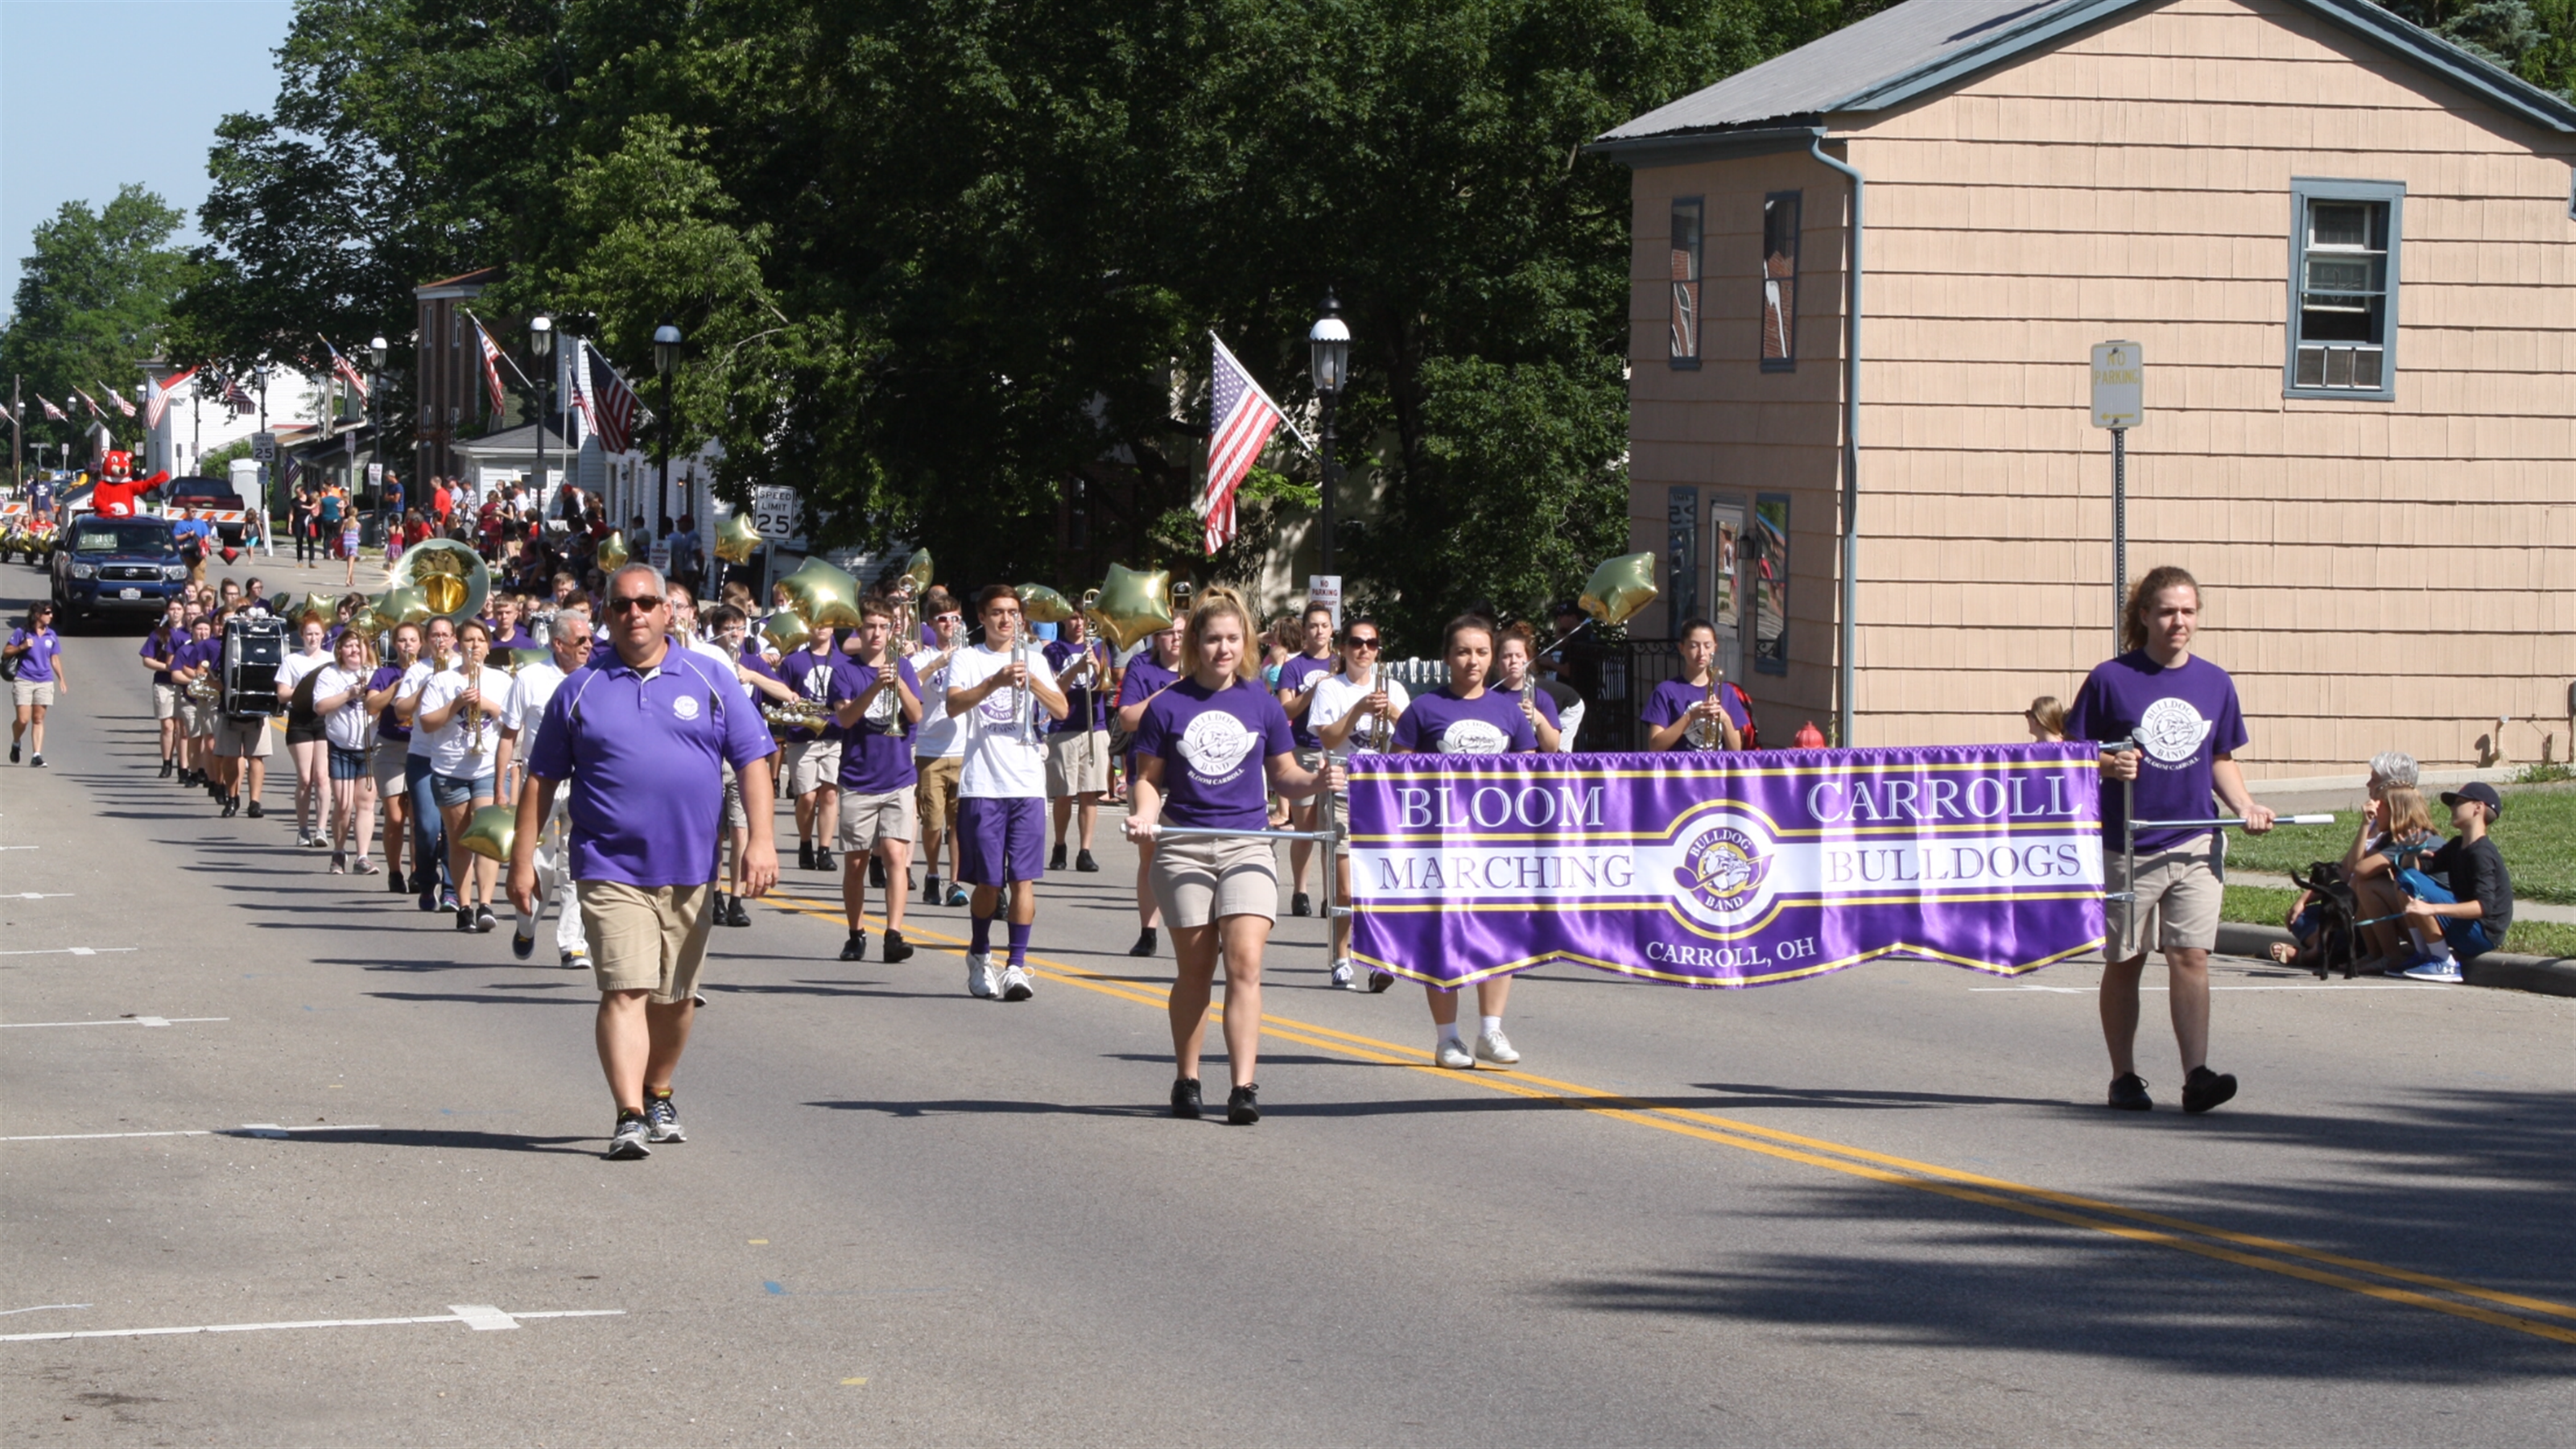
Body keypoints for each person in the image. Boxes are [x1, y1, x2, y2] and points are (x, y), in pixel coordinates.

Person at [510, 562, 779, 1160]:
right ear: (606, 616)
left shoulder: (710, 678)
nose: (634, 613)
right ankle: (629, 1113)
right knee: (625, 990)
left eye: (645, 603)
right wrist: (521, 859)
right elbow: (542, 779)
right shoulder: (580, 687)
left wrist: (760, 839)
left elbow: (754, 759)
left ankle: (658, 1089)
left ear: (668, 611)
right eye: (621, 605)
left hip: (690, 867)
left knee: (675, 998)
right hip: (608, 864)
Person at [1126, 588, 1336, 1125]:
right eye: (1213, 638)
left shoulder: (1261, 702)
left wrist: (1315, 780)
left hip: (1248, 843)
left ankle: (1244, 1086)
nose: (1223, 648)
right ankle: (1187, 1078)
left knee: (1245, 964)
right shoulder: (1167, 705)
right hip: (1184, 847)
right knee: (1196, 969)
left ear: (1246, 642)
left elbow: (1284, 773)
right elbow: (1147, 782)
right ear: (1195, 641)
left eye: (1233, 638)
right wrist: (1143, 814)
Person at [2068, 565, 2273, 1115]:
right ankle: (2124, 1076)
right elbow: (2071, 756)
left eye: (2187, 611)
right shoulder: (2111, 679)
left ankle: (2196, 1076)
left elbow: (2220, 759)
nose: (2178, 621)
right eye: (2166, 611)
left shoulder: (2214, 682)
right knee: (2126, 959)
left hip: (2195, 841)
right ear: (2144, 616)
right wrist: (2110, 765)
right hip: (2128, 843)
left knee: (2191, 957)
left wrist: (2245, 806)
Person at [1393, 616, 1540, 1067]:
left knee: (1499, 937)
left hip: (1497, 847)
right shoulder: (1423, 710)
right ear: (1446, 658)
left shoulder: (1509, 713)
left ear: (1492, 658)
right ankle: (1447, 1038)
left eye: (1480, 651)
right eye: (1462, 651)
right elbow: (1397, 777)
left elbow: (1530, 778)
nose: (1472, 660)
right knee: (1445, 939)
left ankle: (1490, 1032)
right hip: (1439, 845)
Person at [943, 584, 1069, 1001]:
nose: (1006, 620)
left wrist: (1033, 682)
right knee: (989, 884)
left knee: (1024, 880)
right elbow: (954, 705)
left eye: (1013, 613)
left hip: (1027, 785)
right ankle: (980, 953)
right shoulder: (968, 657)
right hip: (983, 784)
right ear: (982, 617)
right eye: (997, 613)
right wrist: (995, 682)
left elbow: (1062, 710)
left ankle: (1017, 965)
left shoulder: (1035, 660)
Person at [1309, 615, 1411, 989]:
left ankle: (1380, 958)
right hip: (1343, 791)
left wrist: (1394, 713)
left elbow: (1414, 738)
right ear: (1342, 648)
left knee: (1383, 885)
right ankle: (1340, 958)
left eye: (1371, 644)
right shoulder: (1330, 689)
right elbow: (1331, 740)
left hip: (1385, 797)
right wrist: (1359, 711)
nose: (1364, 650)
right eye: (1356, 642)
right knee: (1346, 889)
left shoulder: (1395, 689)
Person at [495, 609, 594, 967]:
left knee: (576, 865)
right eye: (581, 640)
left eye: (590, 639)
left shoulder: (596, 678)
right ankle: (526, 925)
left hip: (581, 784)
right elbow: (508, 735)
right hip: (540, 785)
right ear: (558, 643)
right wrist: (501, 789)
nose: (589, 646)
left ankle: (572, 944)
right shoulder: (531, 678)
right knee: (541, 865)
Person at [829, 598, 924, 962]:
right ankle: (856, 933)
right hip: (858, 777)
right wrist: (873, 688)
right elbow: (848, 719)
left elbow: (915, 714)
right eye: (870, 626)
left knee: (896, 857)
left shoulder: (904, 668)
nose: (877, 633)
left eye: (884, 627)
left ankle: (894, 934)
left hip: (899, 776)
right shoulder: (845, 672)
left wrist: (898, 683)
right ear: (860, 630)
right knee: (856, 862)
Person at [417, 619, 512, 933]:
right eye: (468, 640)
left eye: (480, 640)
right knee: (459, 842)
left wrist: (486, 704)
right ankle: (464, 905)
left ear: (488, 645)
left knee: (485, 836)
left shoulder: (501, 680)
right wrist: (457, 703)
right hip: (450, 768)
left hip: (487, 767)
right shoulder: (442, 681)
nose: (474, 646)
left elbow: (514, 723)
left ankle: (486, 904)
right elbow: (427, 723)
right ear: (459, 644)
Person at [1114, 616, 1185, 956]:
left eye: (1182, 634)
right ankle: (1148, 930)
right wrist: (1167, 694)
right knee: (1151, 854)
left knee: (1193, 854)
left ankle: (1198, 927)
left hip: (1190, 775)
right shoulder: (1142, 668)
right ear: (1156, 638)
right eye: (1168, 633)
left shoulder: (1206, 670)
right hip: (1148, 774)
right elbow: (1127, 718)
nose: (1175, 639)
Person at [2397, 782, 2515, 983]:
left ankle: (2444, 962)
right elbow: (2415, 871)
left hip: (2482, 935)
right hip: (2467, 927)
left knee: (2412, 885)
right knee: (2406, 880)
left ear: (2478, 808)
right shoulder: (2456, 846)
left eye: (2459, 802)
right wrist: (2411, 853)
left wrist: (2432, 909)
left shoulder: (2481, 853)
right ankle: (2424, 954)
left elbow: (2483, 907)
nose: (2452, 808)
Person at [1274, 603, 1339, 915]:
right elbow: (1285, 710)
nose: (1319, 631)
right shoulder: (1294, 667)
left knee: (1333, 827)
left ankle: (1331, 896)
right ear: (1305, 630)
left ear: (1332, 630)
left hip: (1336, 751)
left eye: (1324, 625)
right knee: (1306, 826)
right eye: (1313, 626)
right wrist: (1315, 690)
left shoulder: (1342, 663)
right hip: (1305, 749)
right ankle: (1300, 891)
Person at [910, 591, 971, 909]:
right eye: (944, 619)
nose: (950, 624)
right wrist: (938, 662)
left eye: (955, 619)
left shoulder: (970, 656)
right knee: (932, 821)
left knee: (958, 823)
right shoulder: (921, 657)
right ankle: (932, 874)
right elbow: (908, 686)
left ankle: (955, 882)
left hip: (963, 748)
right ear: (932, 624)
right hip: (931, 748)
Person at [397, 617, 462, 911]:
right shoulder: (418, 669)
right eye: (434, 635)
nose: (440, 641)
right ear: (426, 639)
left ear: (454, 638)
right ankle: (426, 880)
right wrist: (425, 688)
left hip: (454, 758)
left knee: (452, 829)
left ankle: (451, 888)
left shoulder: (464, 667)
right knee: (426, 825)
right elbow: (400, 711)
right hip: (423, 755)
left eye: (445, 635)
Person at [2344, 786, 2442, 974]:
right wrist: (2365, 825)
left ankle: (2391, 956)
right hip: (2419, 917)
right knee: (2359, 883)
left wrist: (2366, 825)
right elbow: (2353, 868)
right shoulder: (2391, 838)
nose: (2373, 809)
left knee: (2368, 885)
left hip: (2435, 923)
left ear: (2397, 810)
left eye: (2380, 805)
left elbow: (2360, 869)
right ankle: (2376, 955)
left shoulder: (2414, 837)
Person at [1043, 610, 1113, 872]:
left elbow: (1108, 686)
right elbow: (1055, 690)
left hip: (1095, 726)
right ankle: (1059, 845)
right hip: (1064, 727)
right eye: (1073, 617)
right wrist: (1077, 666)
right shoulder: (1053, 651)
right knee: (1064, 793)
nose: (1079, 623)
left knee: (1090, 793)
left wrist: (1096, 666)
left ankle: (1085, 850)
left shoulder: (1100, 647)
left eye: (1083, 618)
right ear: (1063, 620)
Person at [308, 630, 381, 873]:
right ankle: (339, 850)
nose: (354, 651)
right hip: (341, 748)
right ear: (340, 650)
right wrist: (349, 694)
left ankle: (362, 856)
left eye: (359, 646)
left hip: (369, 747)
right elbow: (320, 706)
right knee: (344, 804)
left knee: (366, 804)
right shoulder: (330, 674)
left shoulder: (375, 674)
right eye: (349, 646)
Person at [777, 625, 844, 873]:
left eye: (827, 622)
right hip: (802, 736)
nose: (821, 627)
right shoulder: (794, 661)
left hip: (834, 735)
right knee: (806, 796)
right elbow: (779, 696)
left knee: (829, 793)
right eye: (816, 622)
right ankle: (805, 843)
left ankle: (824, 850)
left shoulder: (844, 661)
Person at [366, 624, 423, 894]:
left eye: (413, 640)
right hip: (390, 747)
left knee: (418, 815)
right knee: (395, 816)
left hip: (420, 747)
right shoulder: (384, 673)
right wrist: (399, 685)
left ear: (421, 643)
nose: (408, 645)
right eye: (402, 640)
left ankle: (416, 871)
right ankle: (395, 871)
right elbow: (372, 705)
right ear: (394, 644)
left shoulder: (428, 671)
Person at [1641, 618, 1745, 752]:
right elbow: (1655, 746)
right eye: (1694, 646)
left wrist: (1724, 719)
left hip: (1715, 770)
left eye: (1707, 646)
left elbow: (1736, 751)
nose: (1701, 653)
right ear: (1682, 648)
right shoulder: (1665, 691)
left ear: (1715, 648)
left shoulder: (1727, 691)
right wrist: (1690, 717)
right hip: (1680, 770)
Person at [275, 619, 336, 848]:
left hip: (323, 719)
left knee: (322, 776)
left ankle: (321, 829)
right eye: (309, 634)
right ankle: (303, 829)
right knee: (305, 778)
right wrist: (303, 690)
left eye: (317, 634)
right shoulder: (292, 660)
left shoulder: (331, 660)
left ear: (323, 635)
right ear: (302, 635)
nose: (313, 638)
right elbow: (282, 694)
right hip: (300, 718)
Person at [6, 602, 67, 767]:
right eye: (48, 613)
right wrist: (22, 647)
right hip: (24, 679)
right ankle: (16, 742)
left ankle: (36, 755)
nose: (51, 616)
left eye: (51, 613)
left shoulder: (51, 635)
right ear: (38, 615)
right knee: (23, 720)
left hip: (44, 681)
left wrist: (61, 679)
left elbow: (54, 658)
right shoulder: (22, 632)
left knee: (38, 719)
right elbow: (6, 652)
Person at [1494, 623, 1570, 752]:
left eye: (1519, 656)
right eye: (1507, 656)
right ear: (1496, 662)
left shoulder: (1542, 698)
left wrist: (1538, 719)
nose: (1513, 661)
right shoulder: (1487, 695)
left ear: (1528, 660)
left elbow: (1552, 748)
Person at [141, 608, 185, 777]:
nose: (176, 613)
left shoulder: (189, 632)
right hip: (164, 683)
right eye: (172, 609)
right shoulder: (159, 634)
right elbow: (147, 660)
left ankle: (184, 766)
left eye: (179, 609)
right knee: (168, 726)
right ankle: (167, 763)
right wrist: (167, 667)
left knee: (182, 728)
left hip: (183, 685)